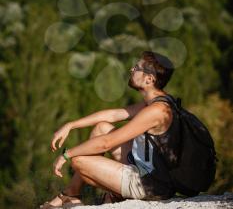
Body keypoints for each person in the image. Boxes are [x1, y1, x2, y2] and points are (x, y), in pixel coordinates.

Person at [40, 51, 177, 208]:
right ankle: (72, 193)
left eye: (137, 68)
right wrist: (71, 125)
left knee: (79, 161)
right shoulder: (159, 102)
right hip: (149, 170)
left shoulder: (156, 111)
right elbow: (113, 115)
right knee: (101, 128)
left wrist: (66, 155)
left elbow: (107, 143)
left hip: (150, 185)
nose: (131, 70)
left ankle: (106, 194)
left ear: (149, 79)